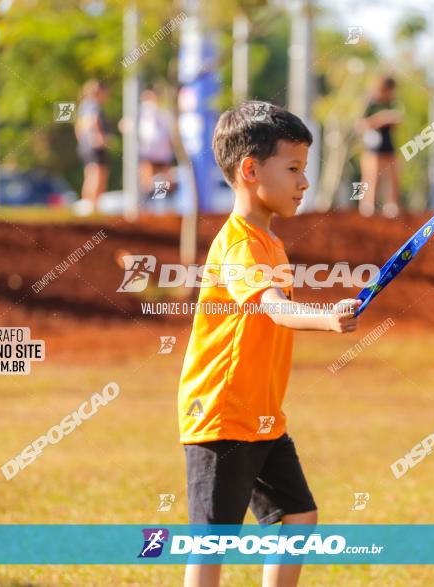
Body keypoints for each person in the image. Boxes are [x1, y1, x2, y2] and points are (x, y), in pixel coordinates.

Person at [178, 101, 361, 587]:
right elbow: (272, 306)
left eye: (306, 169)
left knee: (298, 517)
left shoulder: (269, 241)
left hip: (262, 417)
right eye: (294, 169)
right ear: (251, 170)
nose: (304, 182)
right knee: (213, 544)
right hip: (221, 416)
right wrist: (325, 319)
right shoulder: (240, 243)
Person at [357, 76, 403, 218]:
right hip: (372, 146)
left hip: (388, 144)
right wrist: (381, 119)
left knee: (392, 176)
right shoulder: (370, 103)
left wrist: (392, 120)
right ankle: (367, 206)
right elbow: (360, 125)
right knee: (371, 177)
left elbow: (398, 121)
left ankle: (391, 206)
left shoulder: (392, 103)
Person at [74, 79, 112, 215]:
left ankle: (91, 206)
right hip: (94, 147)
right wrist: (99, 137)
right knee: (97, 175)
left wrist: (82, 141)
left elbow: (78, 127)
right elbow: (93, 121)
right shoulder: (92, 105)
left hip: (86, 146)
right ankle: (91, 206)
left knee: (91, 174)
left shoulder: (84, 105)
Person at [137, 89, 176, 199]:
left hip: (162, 153)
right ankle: (147, 202)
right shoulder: (141, 112)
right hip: (148, 152)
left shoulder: (163, 112)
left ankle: (160, 201)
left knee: (163, 179)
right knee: (147, 180)